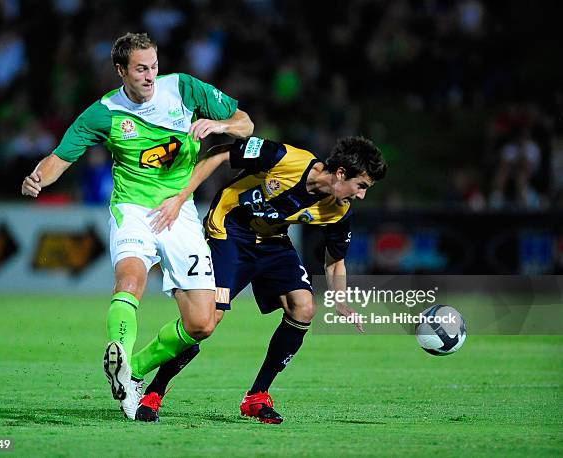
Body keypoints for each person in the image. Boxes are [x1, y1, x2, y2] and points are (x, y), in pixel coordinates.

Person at [20, 32, 254, 419]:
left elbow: (245, 123)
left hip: (180, 211)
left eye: (153, 67)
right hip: (133, 209)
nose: (149, 76)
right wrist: (37, 178)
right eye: (141, 69)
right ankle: (119, 350)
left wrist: (219, 124)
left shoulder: (183, 88)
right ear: (120, 71)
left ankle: (132, 372)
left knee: (201, 323)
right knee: (129, 279)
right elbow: (60, 157)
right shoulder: (103, 113)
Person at [133, 135, 387, 423]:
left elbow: (336, 260)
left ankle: (257, 397)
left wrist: (340, 301)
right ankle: (153, 391)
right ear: (341, 173)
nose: (361, 195)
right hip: (229, 231)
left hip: (272, 241)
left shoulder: (338, 210)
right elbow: (220, 153)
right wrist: (181, 196)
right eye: (361, 186)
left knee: (303, 307)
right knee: (206, 321)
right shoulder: (286, 158)